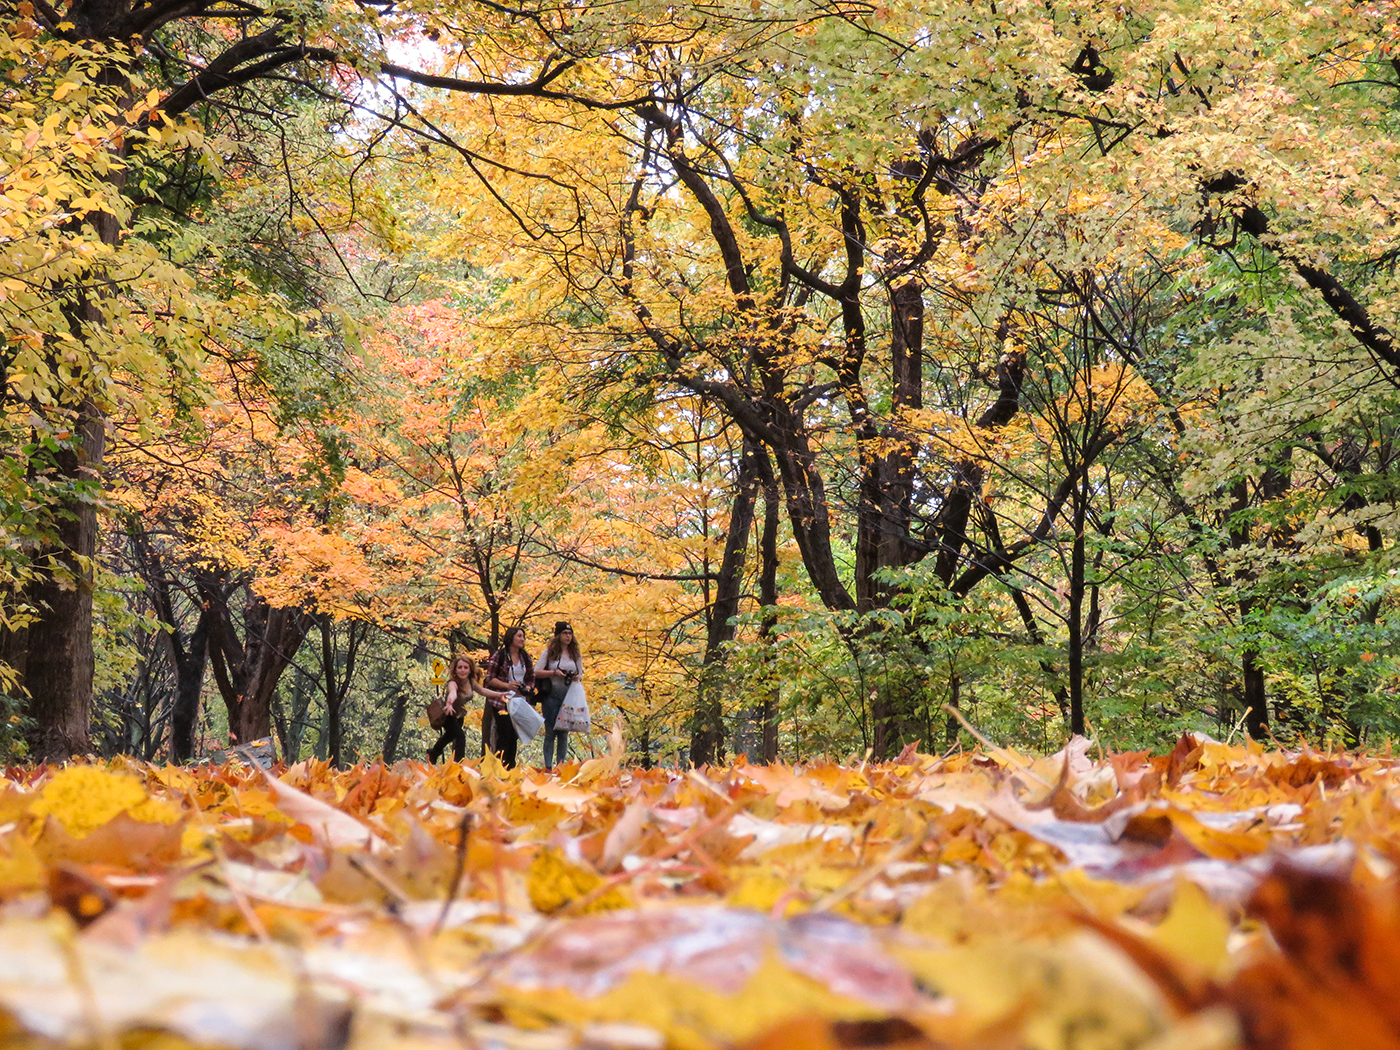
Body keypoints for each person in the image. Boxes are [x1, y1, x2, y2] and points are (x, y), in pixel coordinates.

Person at [429, 655, 506, 764]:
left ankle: (433, 752)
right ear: (455, 670)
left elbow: (483, 691)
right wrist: (449, 703)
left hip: (459, 715)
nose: (462, 670)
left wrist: (501, 694)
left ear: (470, 670)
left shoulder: (471, 682)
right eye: (460, 667)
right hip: (448, 714)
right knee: (460, 736)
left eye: (466, 668)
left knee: (449, 736)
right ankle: (459, 764)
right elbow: (452, 693)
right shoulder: (453, 683)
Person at [483, 626, 534, 768]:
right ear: (511, 637)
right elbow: (489, 679)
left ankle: (510, 766)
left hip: (520, 702)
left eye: (523, 636)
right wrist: (507, 686)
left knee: (514, 735)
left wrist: (528, 688)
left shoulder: (525, 657)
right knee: (504, 733)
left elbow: (531, 677)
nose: (522, 639)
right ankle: (499, 766)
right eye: (519, 636)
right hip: (501, 701)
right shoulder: (499, 656)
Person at [536, 621, 583, 771]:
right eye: (565, 633)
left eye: (570, 634)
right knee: (550, 731)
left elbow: (581, 672)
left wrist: (577, 677)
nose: (568, 636)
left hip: (569, 698)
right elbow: (536, 671)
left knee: (563, 733)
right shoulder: (549, 652)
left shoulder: (575, 654)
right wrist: (553, 673)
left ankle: (561, 767)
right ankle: (548, 767)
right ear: (558, 635)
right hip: (551, 696)